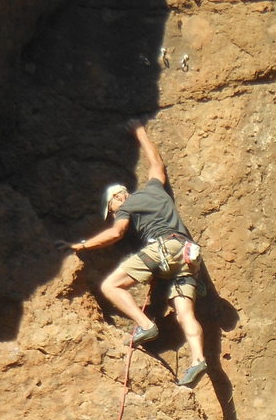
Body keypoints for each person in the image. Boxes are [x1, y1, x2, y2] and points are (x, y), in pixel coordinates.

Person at [58, 120, 207, 386]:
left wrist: (80, 245)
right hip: (188, 256)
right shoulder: (154, 189)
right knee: (186, 314)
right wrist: (140, 132)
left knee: (111, 285)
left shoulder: (126, 208)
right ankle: (198, 359)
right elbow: (156, 163)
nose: (114, 212)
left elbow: (115, 234)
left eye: (112, 209)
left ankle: (145, 325)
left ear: (117, 199)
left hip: (163, 248)